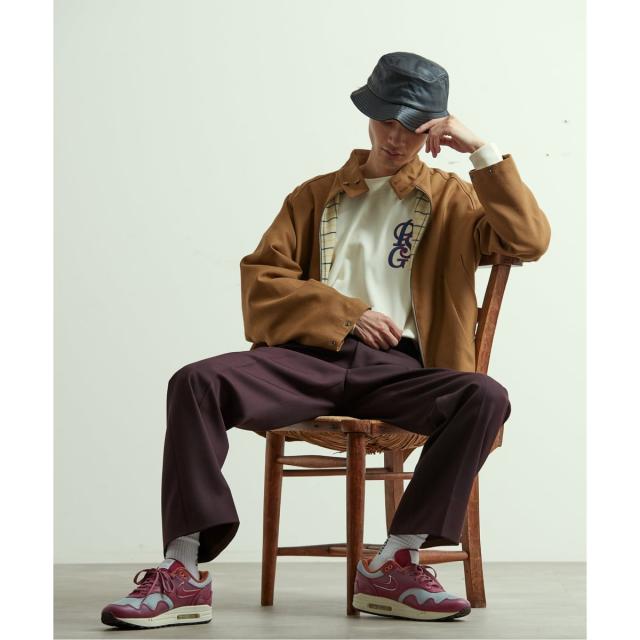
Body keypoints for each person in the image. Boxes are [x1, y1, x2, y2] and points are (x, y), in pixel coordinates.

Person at [100, 52, 551, 629]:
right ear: (368, 115)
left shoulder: (452, 199)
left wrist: (482, 150)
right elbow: (261, 282)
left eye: (415, 126)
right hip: (307, 360)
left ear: (435, 129)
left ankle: (397, 561)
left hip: (401, 372)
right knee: (195, 381)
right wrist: (347, 313)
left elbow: (529, 241)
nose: (397, 137)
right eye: (387, 120)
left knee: (485, 395)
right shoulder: (314, 196)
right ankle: (182, 570)